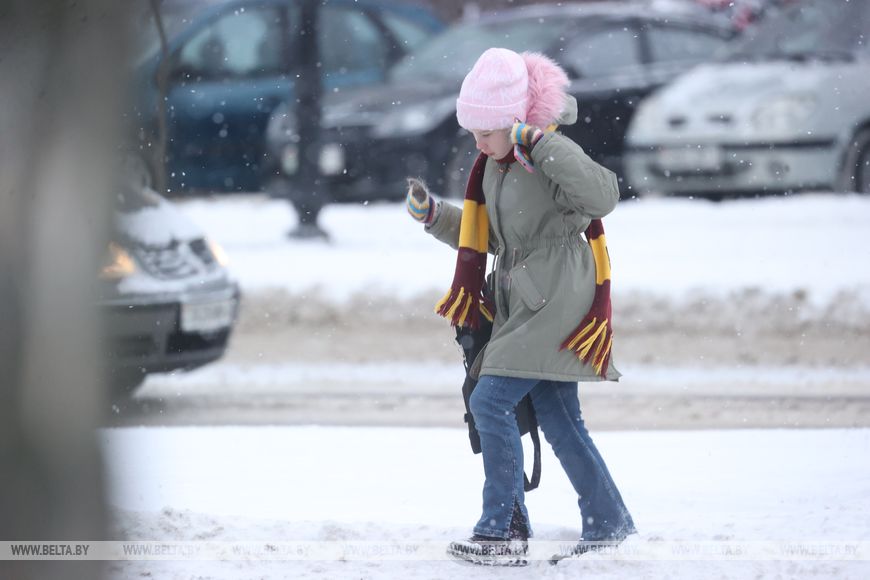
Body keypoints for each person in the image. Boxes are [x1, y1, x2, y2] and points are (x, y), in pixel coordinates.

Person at [405, 47, 636, 566]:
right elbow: (487, 236)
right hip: (525, 298)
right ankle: (608, 521)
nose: (477, 142)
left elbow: (604, 197)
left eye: (485, 131)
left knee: (490, 401)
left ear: (514, 120)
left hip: (556, 297)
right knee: (559, 416)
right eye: (472, 132)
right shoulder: (496, 166)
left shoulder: (547, 154)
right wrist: (434, 216)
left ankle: (503, 529)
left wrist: (543, 144)